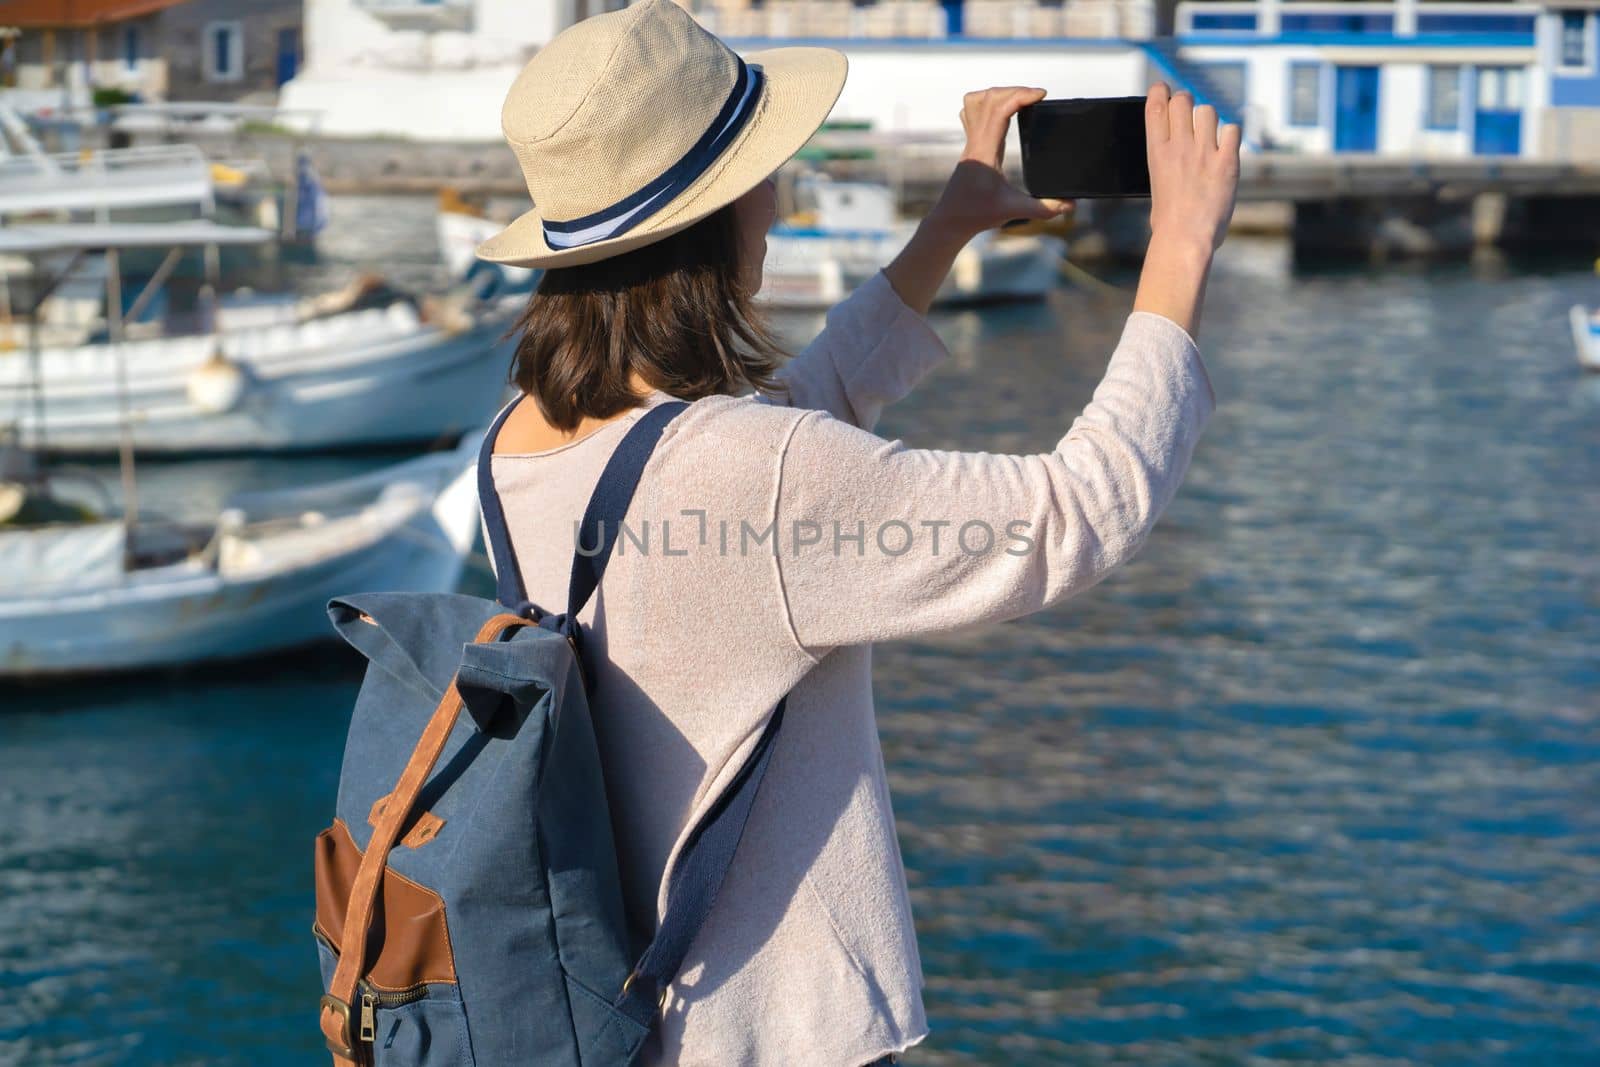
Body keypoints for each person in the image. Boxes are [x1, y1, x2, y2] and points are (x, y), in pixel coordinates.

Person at [473, 0, 1235, 1063]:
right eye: (764, 169)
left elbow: (771, 440)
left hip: (626, 1015)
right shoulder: (751, 471)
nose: (779, 198)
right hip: (773, 1031)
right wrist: (1184, 245)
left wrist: (947, 228)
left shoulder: (520, 437)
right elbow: (1079, 508)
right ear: (719, 210)